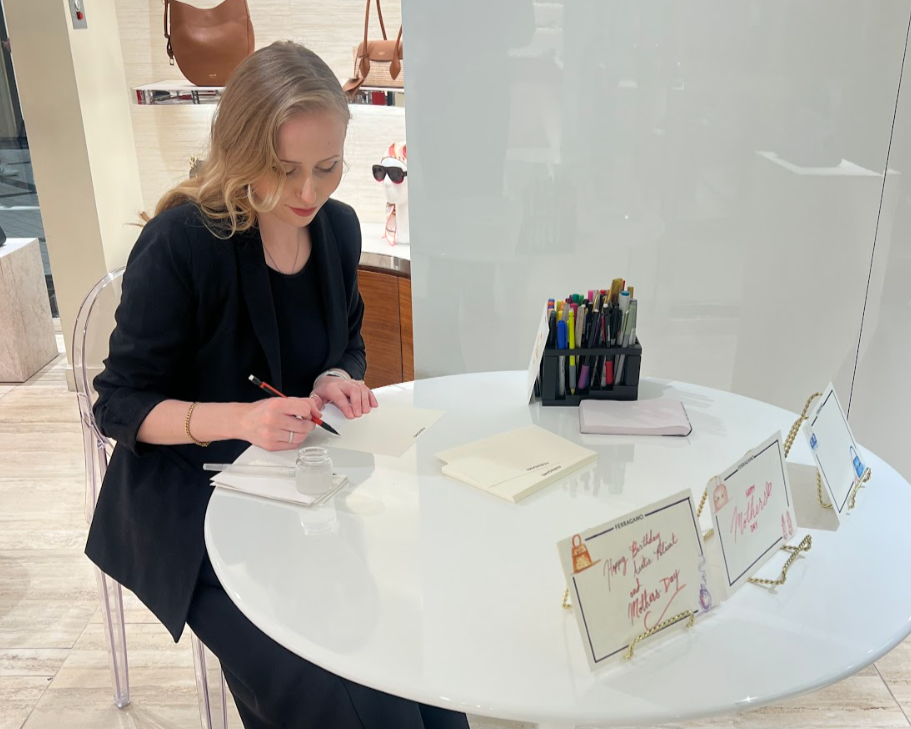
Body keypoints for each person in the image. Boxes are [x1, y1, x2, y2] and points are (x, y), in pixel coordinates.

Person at [85, 41, 469, 729]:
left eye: (327, 167)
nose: (308, 194)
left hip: (303, 496)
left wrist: (335, 377)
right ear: (241, 151)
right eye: (284, 170)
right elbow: (117, 404)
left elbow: (347, 343)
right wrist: (239, 419)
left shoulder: (336, 230)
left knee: (421, 677)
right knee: (333, 696)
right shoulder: (183, 242)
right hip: (195, 511)